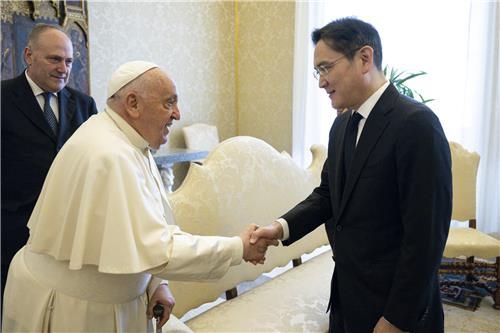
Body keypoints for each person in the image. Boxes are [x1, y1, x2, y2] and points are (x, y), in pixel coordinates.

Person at [1, 60, 277, 332]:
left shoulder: (128, 141)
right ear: (132, 104)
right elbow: (156, 247)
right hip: (75, 310)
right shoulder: (109, 154)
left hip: (114, 303)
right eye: (169, 102)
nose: (178, 114)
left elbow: (141, 230)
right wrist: (239, 247)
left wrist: (157, 283)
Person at [251, 17, 452, 333]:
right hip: (346, 299)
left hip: (394, 310)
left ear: (364, 59)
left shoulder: (417, 125)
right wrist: (279, 228)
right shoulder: (342, 126)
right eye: (317, 72)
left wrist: (396, 318)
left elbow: (426, 238)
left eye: (326, 68)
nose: (321, 82)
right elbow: (329, 195)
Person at [1, 23, 98, 298]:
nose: (63, 68)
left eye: (68, 61)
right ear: (29, 56)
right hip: (12, 229)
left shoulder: (84, 104)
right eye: (54, 59)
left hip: (68, 229)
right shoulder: (3, 98)